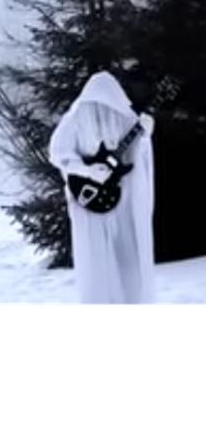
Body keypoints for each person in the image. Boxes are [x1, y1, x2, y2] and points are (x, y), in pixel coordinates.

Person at [48, 70, 155, 304]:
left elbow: (136, 156)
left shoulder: (125, 119)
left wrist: (145, 137)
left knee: (126, 257)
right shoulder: (75, 120)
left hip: (122, 199)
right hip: (89, 207)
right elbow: (57, 154)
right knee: (96, 258)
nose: (101, 110)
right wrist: (86, 171)